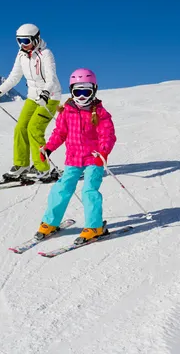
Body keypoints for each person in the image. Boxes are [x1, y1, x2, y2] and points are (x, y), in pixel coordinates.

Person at [34, 68, 117, 244]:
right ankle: (50, 222)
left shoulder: (101, 113)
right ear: (71, 91)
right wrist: (49, 148)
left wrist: (103, 152)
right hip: (73, 158)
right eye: (77, 91)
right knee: (61, 188)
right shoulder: (66, 111)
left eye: (85, 91)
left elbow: (107, 135)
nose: (81, 96)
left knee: (89, 191)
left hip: (93, 159)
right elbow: (60, 133)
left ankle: (94, 227)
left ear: (93, 90)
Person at [0, 23, 62, 180]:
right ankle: (21, 165)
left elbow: (51, 79)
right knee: (20, 127)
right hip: (32, 97)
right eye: (19, 41)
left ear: (36, 39)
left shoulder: (46, 54)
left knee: (34, 129)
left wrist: (45, 94)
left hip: (50, 96)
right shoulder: (21, 55)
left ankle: (43, 168)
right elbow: (14, 77)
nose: (23, 45)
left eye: (26, 41)